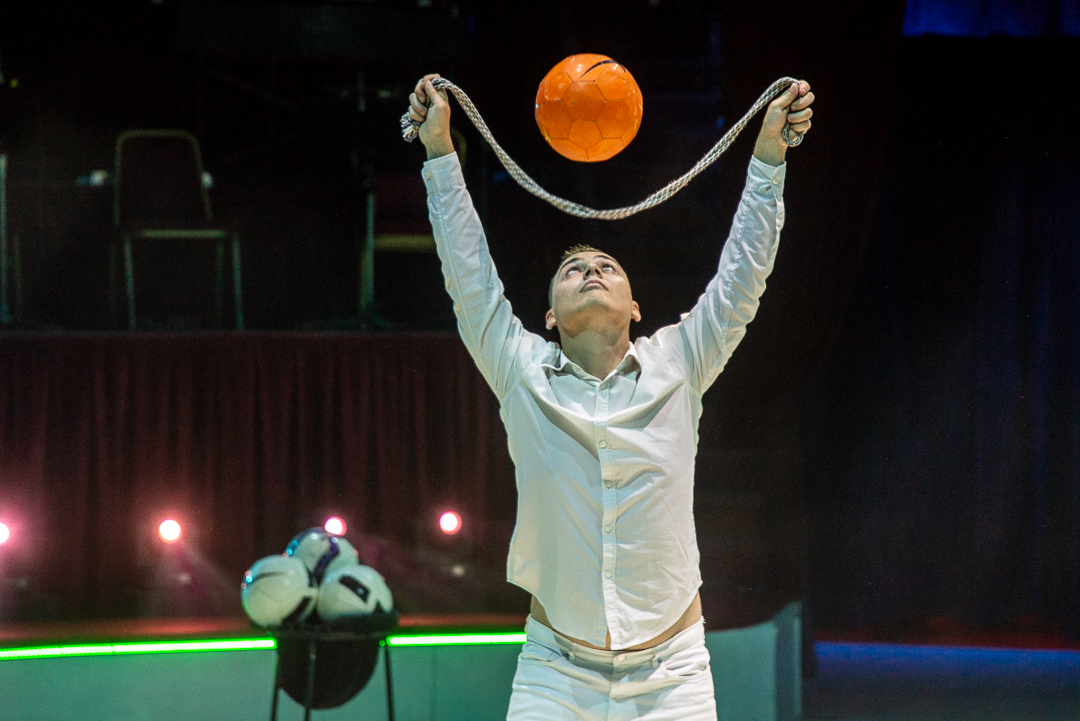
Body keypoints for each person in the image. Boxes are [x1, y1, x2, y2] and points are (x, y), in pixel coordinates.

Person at [407, 73, 814, 721]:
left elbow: (742, 276)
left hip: (673, 676)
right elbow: (469, 276)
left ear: (635, 307)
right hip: (555, 674)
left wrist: (768, 159)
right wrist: (439, 153)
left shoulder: (680, 359)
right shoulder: (518, 369)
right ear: (548, 315)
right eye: (573, 270)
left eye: (607, 268)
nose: (591, 270)